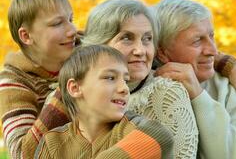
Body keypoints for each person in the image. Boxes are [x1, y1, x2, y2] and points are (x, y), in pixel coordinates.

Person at [82, 0, 199, 158]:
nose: (140, 50)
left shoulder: (167, 94)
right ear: (99, 45)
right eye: (126, 38)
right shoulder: (70, 91)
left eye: (147, 39)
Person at [154, 0, 236, 158]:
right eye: (197, 41)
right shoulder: (137, 84)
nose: (213, 50)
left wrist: (199, 97)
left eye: (212, 36)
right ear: (162, 52)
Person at [34, 44, 174, 159]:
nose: (124, 89)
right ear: (75, 88)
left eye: (125, 80)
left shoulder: (132, 128)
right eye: (110, 78)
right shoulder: (52, 143)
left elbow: (162, 136)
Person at [0, 0, 75, 158]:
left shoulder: (84, 47)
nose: (71, 30)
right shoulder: (14, 81)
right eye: (57, 23)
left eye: (71, 19)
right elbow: (21, 154)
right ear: (26, 36)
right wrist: (70, 85)